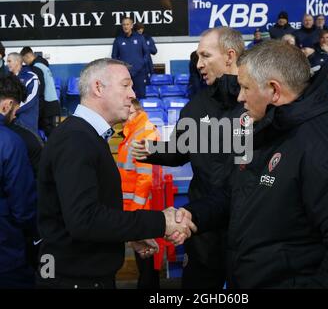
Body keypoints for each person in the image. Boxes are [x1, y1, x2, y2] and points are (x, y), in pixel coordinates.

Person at [171, 40, 328, 288]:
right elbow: (239, 193)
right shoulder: (268, 132)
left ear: (274, 90)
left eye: (245, 87)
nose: (239, 97)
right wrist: (194, 214)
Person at [36, 58, 195, 289]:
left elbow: (92, 210)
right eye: (125, 85)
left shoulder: (87, 136)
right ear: (99, 88)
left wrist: (130, 234)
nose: (133, 94)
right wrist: (160, 221)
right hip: (73, 279)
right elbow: (84, 220)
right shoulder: (75, 139)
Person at [131, 27, 245, 289]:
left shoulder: (258, 102)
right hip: (203, 225)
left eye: (205, 56)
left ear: (229, 55)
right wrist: (153, 151)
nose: (199, 64)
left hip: (248, 227)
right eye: (197, 57)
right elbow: (181, 150)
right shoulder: (197, 106)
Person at [117, 99, 161, 289]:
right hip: (137, 208)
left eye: (131, 112)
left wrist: (135, 212)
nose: (127, 116)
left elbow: (145, 178)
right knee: (145, 264)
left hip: (144, 209)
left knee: (148, 265)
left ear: (138, 110)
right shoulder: (131, 132)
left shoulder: (143, 132)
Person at [0, 74, 37, 289]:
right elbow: (23, 207)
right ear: (8, 104)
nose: (15, 117)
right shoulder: (11, 142)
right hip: (6, 251)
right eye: (15, 110)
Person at [20, 47, 61, 137]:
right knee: (55, 136)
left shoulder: (36, 68)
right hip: (54, 105)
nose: (25, 63)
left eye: (24, 60)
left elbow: (40, 91)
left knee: (50, 137)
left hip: (47, 107)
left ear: (27, 56)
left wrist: (38, 112)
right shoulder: (43, 65)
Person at [112, 17, 149, 98]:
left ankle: (138, 111)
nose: (126, 26)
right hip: (124, 75)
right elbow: (114, 57)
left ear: (132, 26)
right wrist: (122, 69)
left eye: (128, 24)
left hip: (139, 73)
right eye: (124, 25)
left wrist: (141, 64)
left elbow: (146, 53)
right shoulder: (118, 40)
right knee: (125, 98)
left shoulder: (140, 38)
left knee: (140, 98)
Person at [6, 53, 39, 135]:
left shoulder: (31, 77)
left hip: (27, 120)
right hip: (10, 120)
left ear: (17, 62)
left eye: (9, 61)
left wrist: (14, 109)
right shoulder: (8, 78)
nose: (7, 64)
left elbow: (32, 98)